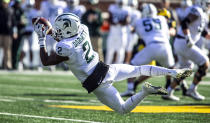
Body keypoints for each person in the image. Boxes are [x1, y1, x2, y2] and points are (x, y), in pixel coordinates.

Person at [33, 13, 192, 114]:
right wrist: (52, 32)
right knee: (139, 69)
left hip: (96, 83)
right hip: (106, 69)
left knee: (123, 109)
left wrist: (42, 39)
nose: (58, 30)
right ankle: (173, 72)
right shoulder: (83, 29)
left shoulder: (64, 47)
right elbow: (68, 39)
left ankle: (145, 91)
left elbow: (46, 61)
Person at [121, 4, 176, 97]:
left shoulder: (139, 21)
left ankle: (130, 88)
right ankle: (170, 89)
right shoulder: (162, 19)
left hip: (151, 46)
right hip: (165, 46)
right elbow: (167, 35)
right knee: (172, 69)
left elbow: (135, 32)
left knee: (132, 66)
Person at [162, 0, 210, 101]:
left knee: (186, 70)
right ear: (202, 2)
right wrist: (188, 37)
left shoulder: (202, 12)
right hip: (185, 42)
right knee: (205, 63)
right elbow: (185, 23)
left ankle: (169, 91)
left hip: (181, 42)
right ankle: (192, 89)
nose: (208, 6)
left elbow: (202, 32)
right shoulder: (197, 10)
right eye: (207, 4)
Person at [105, 0, 131, 64]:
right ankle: (107, 66)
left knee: (120, 51)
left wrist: (118, 22)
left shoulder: (127, 9)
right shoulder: (112, 7)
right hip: (113, 32)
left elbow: (127, 21)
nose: (121, 4)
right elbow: (109, 19)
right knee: (110, 51)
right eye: (120, 2)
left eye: (122, 3)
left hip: (122, 33)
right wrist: (115, 22)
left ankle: (119, 68)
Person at [0, 0, 16, 70]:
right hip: (0, 32)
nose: (4, 3)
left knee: (7, 50)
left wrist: (15, 32)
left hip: (7, 33)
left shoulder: (11, 10)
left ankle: (7, 65)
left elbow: (14, 23)